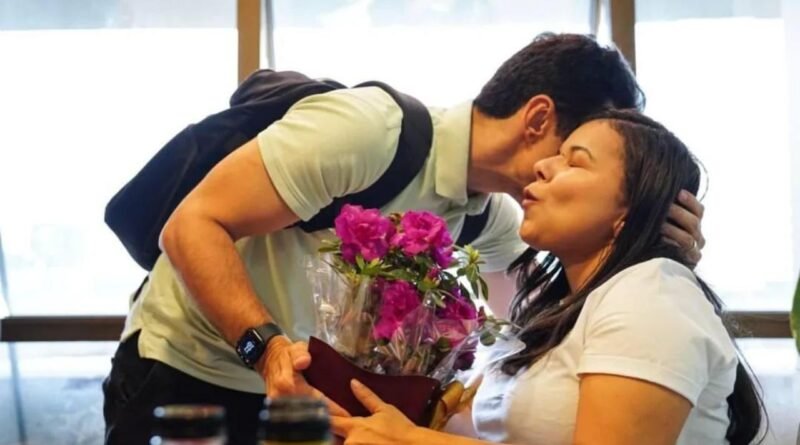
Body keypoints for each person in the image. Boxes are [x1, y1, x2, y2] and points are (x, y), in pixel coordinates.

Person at [103, 34, 706, 444]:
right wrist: (267, 352)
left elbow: (590, 285)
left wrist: (661, 246)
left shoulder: (487, 218)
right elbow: (191, 224)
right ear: (539, 119)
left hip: (300, 400)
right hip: (186, 371)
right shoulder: (368, 131)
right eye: (575, 149)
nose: (555, 169)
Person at [329, 110, 765, 445]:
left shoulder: (650, 295)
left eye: (575, 161)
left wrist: (411, 440)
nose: (542, 166)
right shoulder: (565, 310)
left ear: (630, 209)